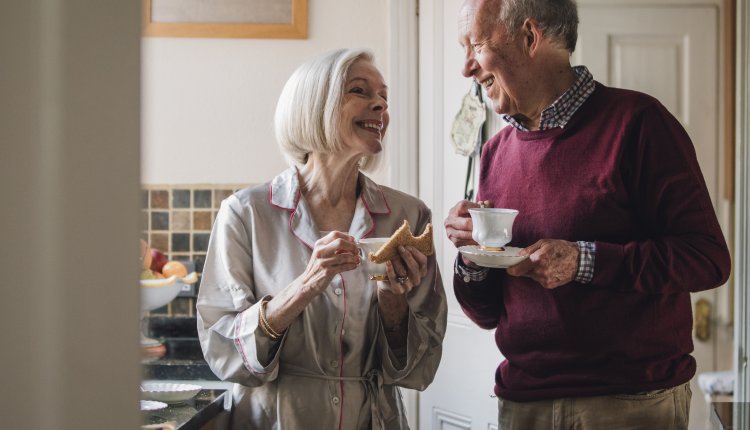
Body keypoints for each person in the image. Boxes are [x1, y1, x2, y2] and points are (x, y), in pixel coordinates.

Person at [443, 0, 732, 428]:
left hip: (631, 403)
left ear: (529, 37)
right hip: (524, 404)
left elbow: (708, 259)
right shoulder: (494, 154)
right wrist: (472, 256)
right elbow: (487, 314)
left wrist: (584, 261)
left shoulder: (639, 123)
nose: (467, 68)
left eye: (477, 45)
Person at [197, 48, 447, 429]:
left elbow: (421, 368)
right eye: (360, 91)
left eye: (384, 96)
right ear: (315, 105)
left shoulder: (409, 217)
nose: (380, 105)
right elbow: (222, 350)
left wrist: (394, 305)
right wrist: (306, 285)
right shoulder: (246, 213)